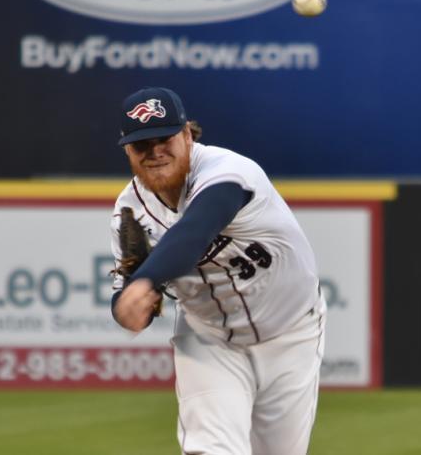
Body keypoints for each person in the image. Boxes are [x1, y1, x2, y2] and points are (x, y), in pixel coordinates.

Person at [109, 86, 326, 454]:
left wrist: (148, 277)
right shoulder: (129, 211)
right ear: (128, 150)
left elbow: (196, 229)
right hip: (208, 340)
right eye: (142, 144)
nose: (155, 151)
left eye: (165, 138)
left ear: (188, 136)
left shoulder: (228, 171)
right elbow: (126, 302)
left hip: (291, 333)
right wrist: (128, 306)